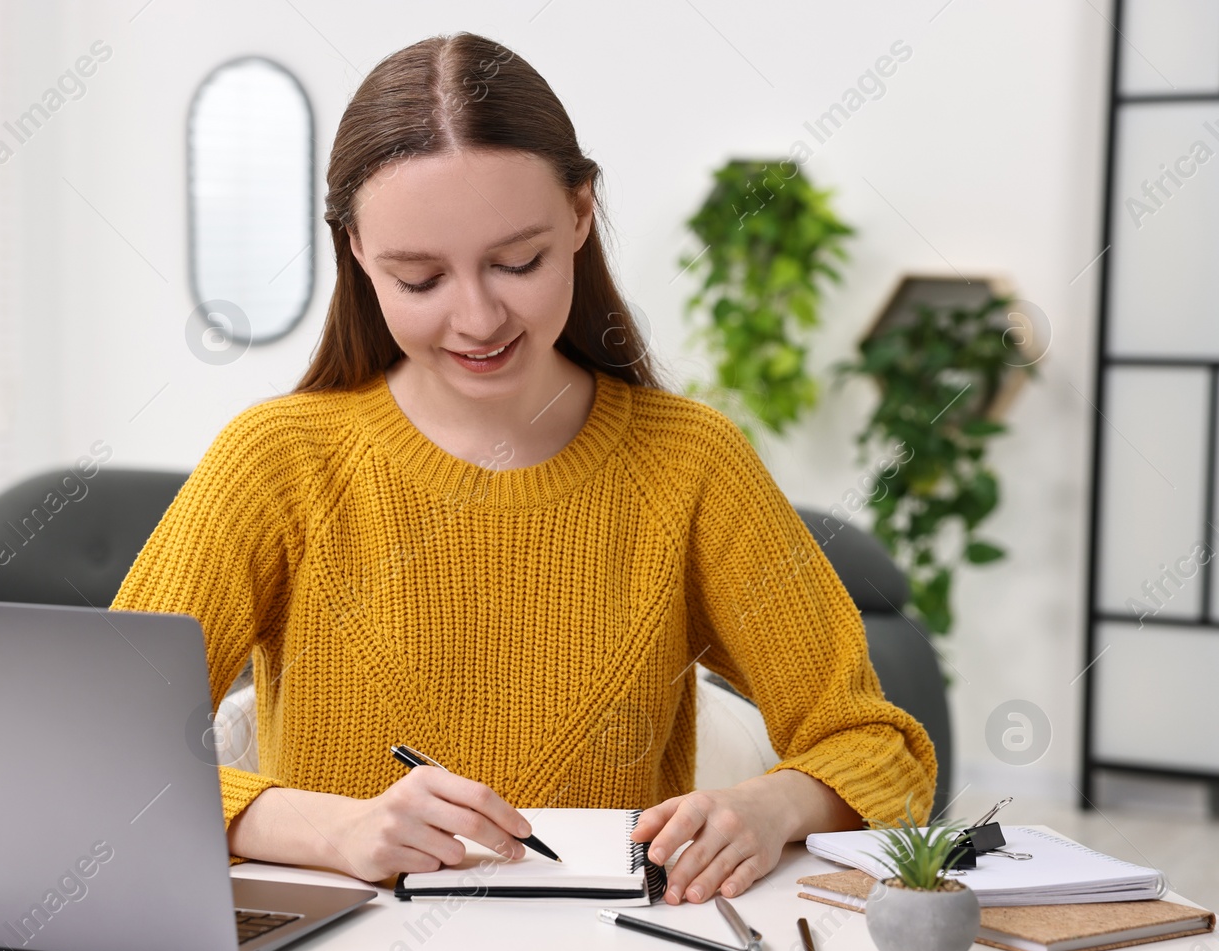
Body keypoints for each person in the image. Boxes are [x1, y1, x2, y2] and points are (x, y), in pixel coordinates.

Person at [110, 31, 936, 906]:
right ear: (356, 251)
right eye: (420, 278)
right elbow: (93, 746)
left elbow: (881, 748)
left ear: (581, 213)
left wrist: (769, 806)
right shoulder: (277, 463)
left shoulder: (690, 463)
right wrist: (329, 827)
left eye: (518, 262)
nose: (476, 317)